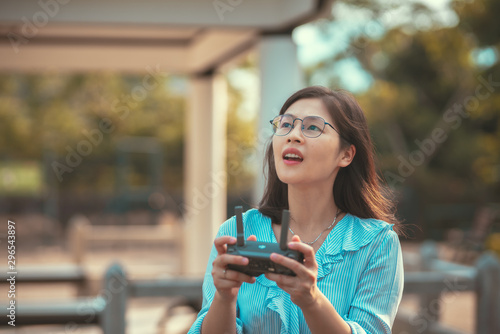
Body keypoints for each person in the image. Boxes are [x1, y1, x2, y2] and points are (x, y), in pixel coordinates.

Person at [188, 86, 404, 334]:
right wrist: (224, 297)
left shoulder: (377, 242)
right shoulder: (235, 231)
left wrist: (311, 299)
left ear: (346, 154)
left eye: (312, 127)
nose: (293, 135)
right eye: (286, 125)